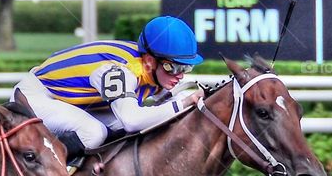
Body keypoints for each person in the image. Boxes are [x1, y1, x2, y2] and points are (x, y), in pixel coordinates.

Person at [13, 16, 205, 160]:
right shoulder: (118, 72)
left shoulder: (153, 71)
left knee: (122, 127)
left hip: (68, 101)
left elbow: (174, 100)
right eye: (174, 67)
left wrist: (196, 99)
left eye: (186, 68)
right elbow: (132, 120)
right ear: (149, 61)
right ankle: (35, 173)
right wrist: (185, 102)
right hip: (35, 98)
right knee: (94, 132)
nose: (180, 75)